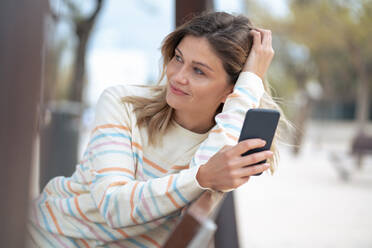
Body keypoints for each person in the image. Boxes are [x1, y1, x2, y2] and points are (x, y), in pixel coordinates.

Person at [27, 11, 284, 247]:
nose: (177, 76)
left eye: (198, 71)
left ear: (232, 90)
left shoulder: (225, 146)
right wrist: (200, 178)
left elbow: (207, 168)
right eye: (178, 58)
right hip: (42, 236)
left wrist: (249, 84)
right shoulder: (122, 103)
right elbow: (114, 206)